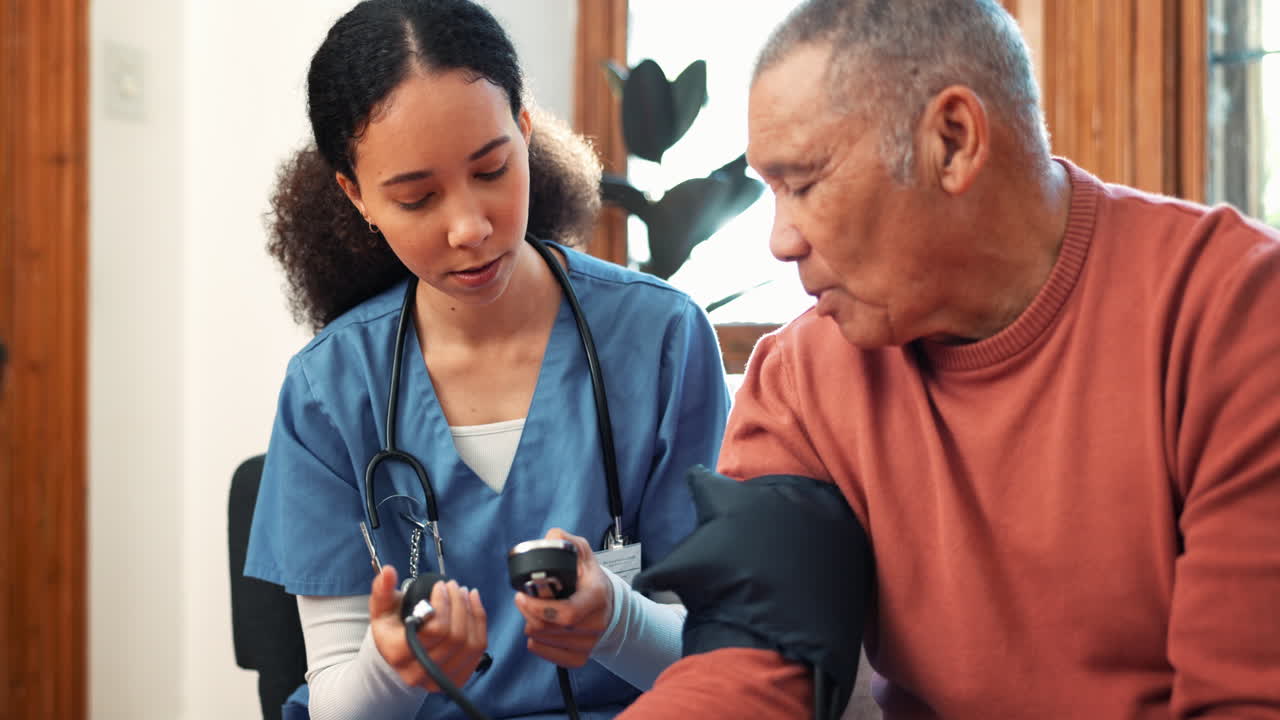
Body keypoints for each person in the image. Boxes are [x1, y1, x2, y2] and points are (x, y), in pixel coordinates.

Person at [618, 0, 1280, 718]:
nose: (780, 240)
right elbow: (751, 664)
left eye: (803, 183)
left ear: (954, 141)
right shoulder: (803, 380)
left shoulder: (1235, 316)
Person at [242, 1, 731, 718]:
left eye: (494, 168)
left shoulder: (661, 340)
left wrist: (618, 622)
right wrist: (395, 668)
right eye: (417, 198)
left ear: (525, 133)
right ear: (357, 197)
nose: (470, 227)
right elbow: (338, 703)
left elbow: (727, 655)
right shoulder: (329, 390)